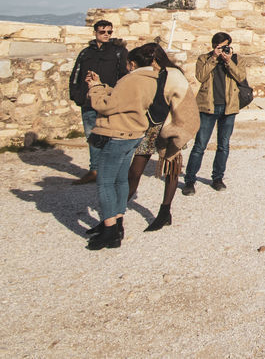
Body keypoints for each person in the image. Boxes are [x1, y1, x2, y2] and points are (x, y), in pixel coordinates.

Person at [82, 43, 179, 249]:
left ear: (132, 63)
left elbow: (106, 105)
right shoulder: (153, 79)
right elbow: (126, 100)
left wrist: (95, 88)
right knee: (120, 181)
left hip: (119, 133)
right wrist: (105, 86)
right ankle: (117, 224)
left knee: (106, 182)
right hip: (135, 134)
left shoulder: (131, 79)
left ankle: (110, 230)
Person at [125, 43, 197, 233]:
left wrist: (179, 130)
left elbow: (185, 103)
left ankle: (165, 211)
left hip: (168, 126)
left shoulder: (173, 75)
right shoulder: (145, 74)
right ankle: (116, 212)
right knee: (134, 171)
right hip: (147, 128)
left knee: (171, 169)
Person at [181, 33, 246, 195]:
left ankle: (217, 178)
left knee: (223, 145)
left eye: (225, 46)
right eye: (219, 47)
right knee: (200, 145)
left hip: (228, 107)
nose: (223, 49)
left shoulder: (236, 59)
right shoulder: (204, 59)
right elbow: (201, 76)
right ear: (213, 46)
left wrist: (228, 61)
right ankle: (190, 180)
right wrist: (214, 59)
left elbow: (241, 77)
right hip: (208, 107)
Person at [68, 19, 129, 185]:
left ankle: (109, 172)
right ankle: (94, 170)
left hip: (108, 100)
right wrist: (77, 95)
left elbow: (124, 76)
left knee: (110, 136)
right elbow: (76, 74)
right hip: (88, 101)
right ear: (95, 33)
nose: (107, 35)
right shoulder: (85, 53)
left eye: (109, 32)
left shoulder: (118, 52)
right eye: (103, 32)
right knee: (92, 136)